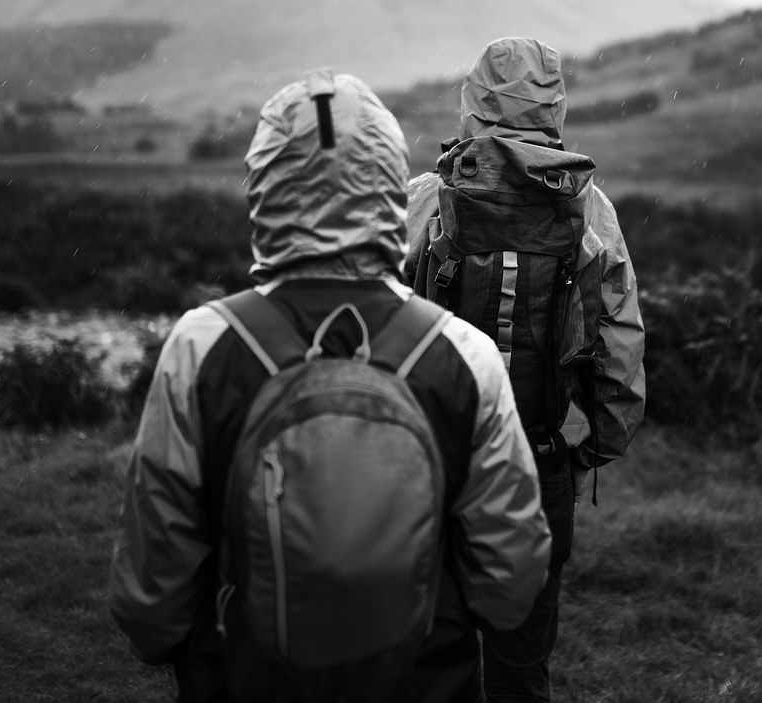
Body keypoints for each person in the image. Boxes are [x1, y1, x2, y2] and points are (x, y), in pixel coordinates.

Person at [108, 68, 551, 703]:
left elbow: (153, 590)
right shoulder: (465, 354)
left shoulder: (200, 345)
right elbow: (510, 584)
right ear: (388, 190)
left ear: (265, 185)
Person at [403, 38, 646, 703]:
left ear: (472, 102)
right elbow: (619, 340)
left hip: (432, 461)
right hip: (539, 458)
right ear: (556, 107)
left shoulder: (427, 198)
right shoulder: (588, 208)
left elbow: (376, 320)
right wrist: (595, 441)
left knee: (431, 657)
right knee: (520, 659)